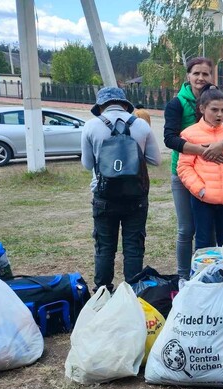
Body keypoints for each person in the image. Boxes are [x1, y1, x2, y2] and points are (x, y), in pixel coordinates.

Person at [163, 57, 223, 280]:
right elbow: (170, 139)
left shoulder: (219, 102)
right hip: (187, 173)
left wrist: (220, 145)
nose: (200, 78)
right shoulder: (177, 104)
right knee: (187, 229)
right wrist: (203, 151)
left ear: (212, 76)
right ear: (188, 76)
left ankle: (219, 274)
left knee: (214, 230)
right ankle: (185, 276)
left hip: (218, 182)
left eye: (205, 74)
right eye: (196, 73)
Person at [81, 87, 162, 292]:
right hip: (136, 196)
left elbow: (87, 164)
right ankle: (132, 293)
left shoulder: (91, 126)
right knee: (134, 248)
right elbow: (155, 160)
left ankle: (102, 293)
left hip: (104, 196)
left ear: (101, 106)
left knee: (104, 248)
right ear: (125, 104)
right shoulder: (141, 125)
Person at [177, 87, 223, 249]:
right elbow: (184, 167)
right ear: (202, 109)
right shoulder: (190, 134)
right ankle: (204, 274)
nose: (219, 114)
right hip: (203, 199)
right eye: (214, 110)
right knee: (203, 241)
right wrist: (200, 190)